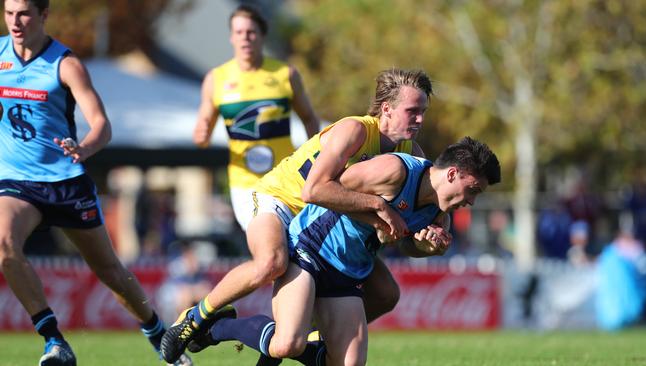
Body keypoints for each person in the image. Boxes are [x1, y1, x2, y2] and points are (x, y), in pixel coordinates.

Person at [161, 67, 444, 364]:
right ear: (387, 108)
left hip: (322, 224)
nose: (420, 119)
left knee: (386, 293)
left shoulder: (412, 153)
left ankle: (304, 340)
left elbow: (407, 231)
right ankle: (195, 318)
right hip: (282, 201)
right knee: (271, 263)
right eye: (413, 111)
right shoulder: (355, 130)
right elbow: (313, 191)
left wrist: (427, 242)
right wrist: (378, 207)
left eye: (423, 111)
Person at [188, 137, 502, 365]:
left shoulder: (439, 215)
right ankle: (217, 328)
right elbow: (329, 188)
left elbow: (405, 243)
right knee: (288, 343)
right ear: (452, 174)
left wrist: (423, 247)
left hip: (349, 271)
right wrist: (379, 209)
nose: (471, 201)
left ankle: (291, 344)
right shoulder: (396, 171)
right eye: (472, 189)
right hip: (310, 249)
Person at [0, 1, 192, 365]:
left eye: (23, 13)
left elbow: (102, 125)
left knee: (110, 272)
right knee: (4, 243)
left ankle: (158, 335)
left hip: (65, 182)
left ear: (43, 15)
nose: (15, 21)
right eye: (9, 13)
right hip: (16, 180)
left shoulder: (66, 64)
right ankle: (54, 341)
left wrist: (84, 148)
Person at [192, 4, 320, 231]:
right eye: (239, 32)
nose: (245, 38)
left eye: (251, 32)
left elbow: (309, 118)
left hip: (284, 177)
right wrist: (201, 133)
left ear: (262, 35)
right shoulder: (216, 79)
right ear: (231, 37)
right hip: (244, 182)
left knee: (284, 248)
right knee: (265, 244)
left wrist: (316, 160)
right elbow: (203, 133)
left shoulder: (285, 74)